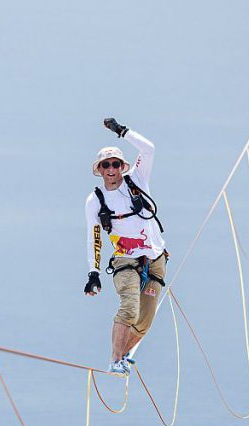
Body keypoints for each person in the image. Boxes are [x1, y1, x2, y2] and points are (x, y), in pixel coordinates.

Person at [83, 118, 168, 375]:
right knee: (129, 308)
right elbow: (94, 237)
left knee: (144, 322)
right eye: (106, 165)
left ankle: (125, 354)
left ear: (122, 166)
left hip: (155, 258)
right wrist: (93, 273)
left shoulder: (137, 179)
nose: (111, 169)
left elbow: (149, 149)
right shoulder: (95, 200)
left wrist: (122, 131)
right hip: (125, 261)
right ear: (99, 169)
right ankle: (115, 359)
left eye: (115, 164)